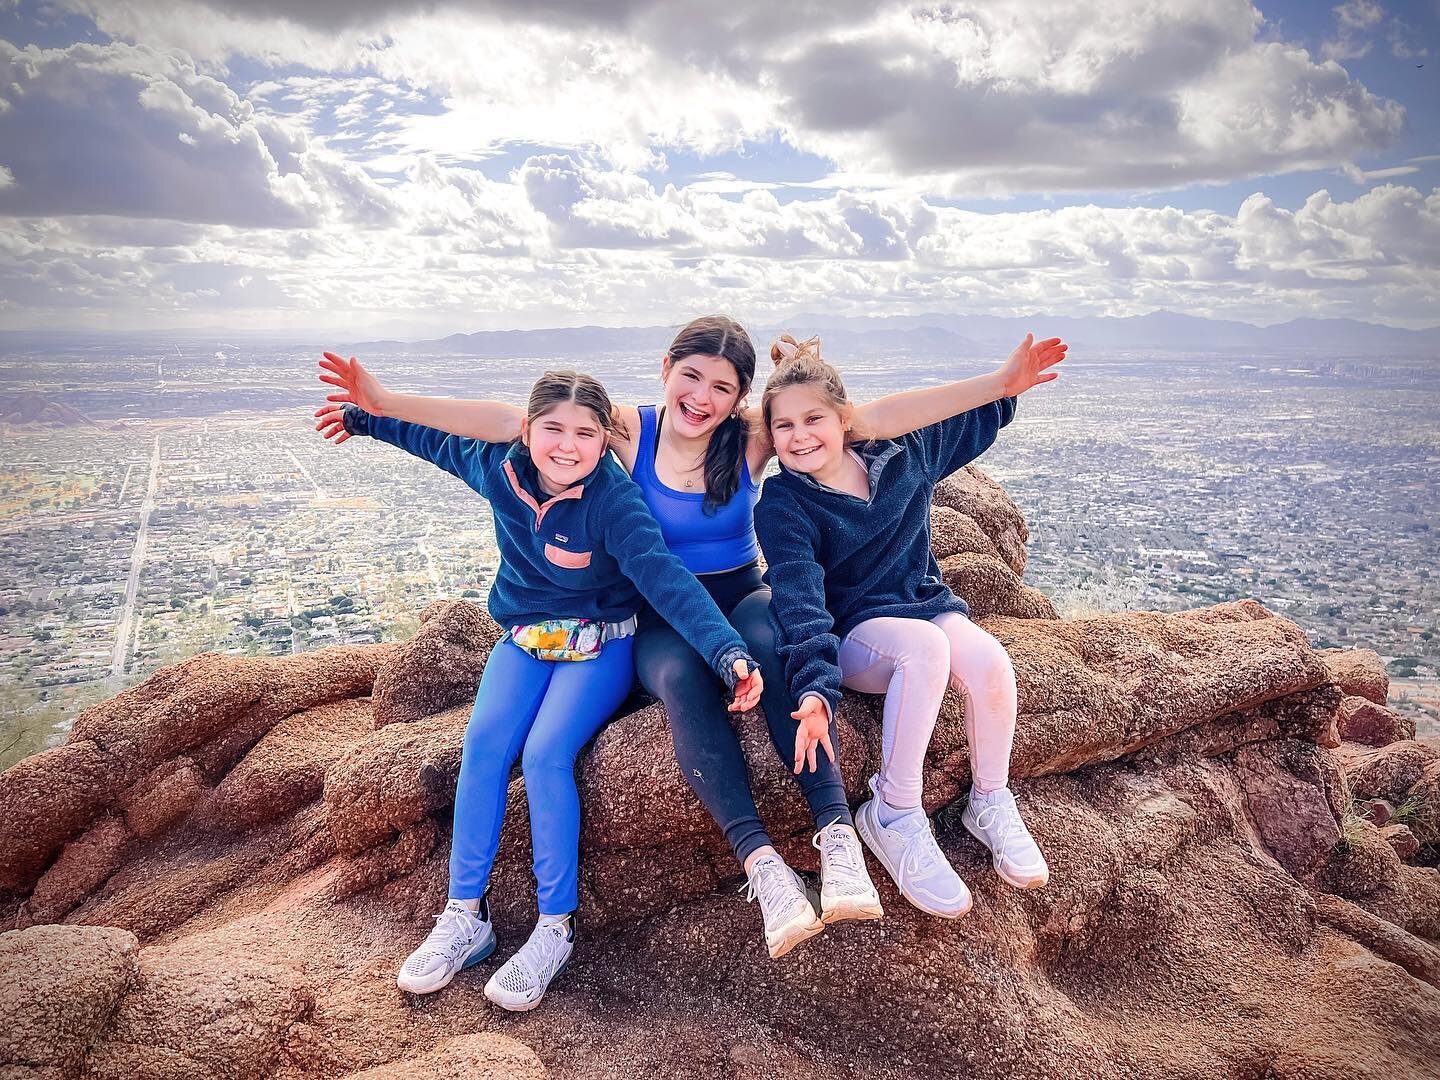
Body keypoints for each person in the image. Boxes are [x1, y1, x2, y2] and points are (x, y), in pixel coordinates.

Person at [315, 317, 1067, 954]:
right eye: (693, 377)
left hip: (740, 589)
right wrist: (378, 408)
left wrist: (1001, 384)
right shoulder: (624, 429)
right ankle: (764, 866)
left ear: (740, 397)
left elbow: (873, 418)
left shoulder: (750, 439)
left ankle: (839, 834)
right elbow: (506, 422)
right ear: (666, 370)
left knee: (774, 652)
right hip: (658, 607)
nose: (702, 398)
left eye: (722, 387)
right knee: (678, 680)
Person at [315, 370, 763, 1010]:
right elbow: (435, 443)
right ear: (526, 433)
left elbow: (665, 579)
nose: (568, 446)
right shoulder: (502, 470)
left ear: (605, 440)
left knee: (546, 755)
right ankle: (465, 916)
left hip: (602, 642)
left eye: (586, 433)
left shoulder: (614, 501)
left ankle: (556, 926)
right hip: (526, 637)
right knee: (483, 751)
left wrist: (726, 651)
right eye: (553, 429)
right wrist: (366, 421)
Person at [755, 333, 1060, 920]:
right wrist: (815, 687)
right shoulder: (784, 504)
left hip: (921, 601)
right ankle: (893, 811)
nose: (800, 437)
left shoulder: (902, 459)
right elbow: (798, 600)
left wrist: (1005, 390)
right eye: (783, 427)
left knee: (991, 662)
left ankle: (990, 799)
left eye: (813, 418)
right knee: (924, 649)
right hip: (854, 638)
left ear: (847, 419)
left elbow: (959, 421)